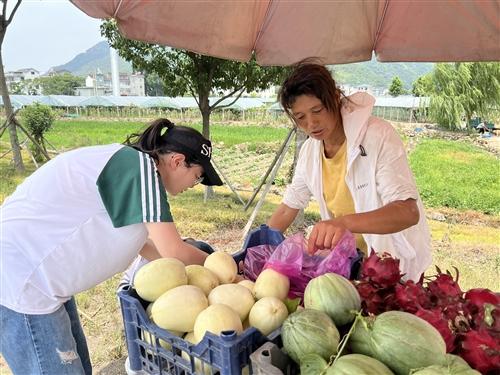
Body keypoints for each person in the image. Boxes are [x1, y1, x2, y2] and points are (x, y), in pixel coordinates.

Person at [0, 118, 223, 375]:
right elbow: (173, 249)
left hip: (43, 281)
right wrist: (224, 270)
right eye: (196, 178)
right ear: (176, 161)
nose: (191, 187)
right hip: (21, 282)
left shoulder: (131, 169)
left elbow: (151, 247)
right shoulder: (140, 169)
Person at [267, 61, 431, 282]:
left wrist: (343, 223)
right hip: (349, 268)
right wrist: (258, 243)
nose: (311, 123)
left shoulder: (377, 136)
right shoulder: (310, 151)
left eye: (317, 110)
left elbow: (407, 212)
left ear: (335, 98)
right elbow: (289, 207)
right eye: (300, 117)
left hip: (393, 270)